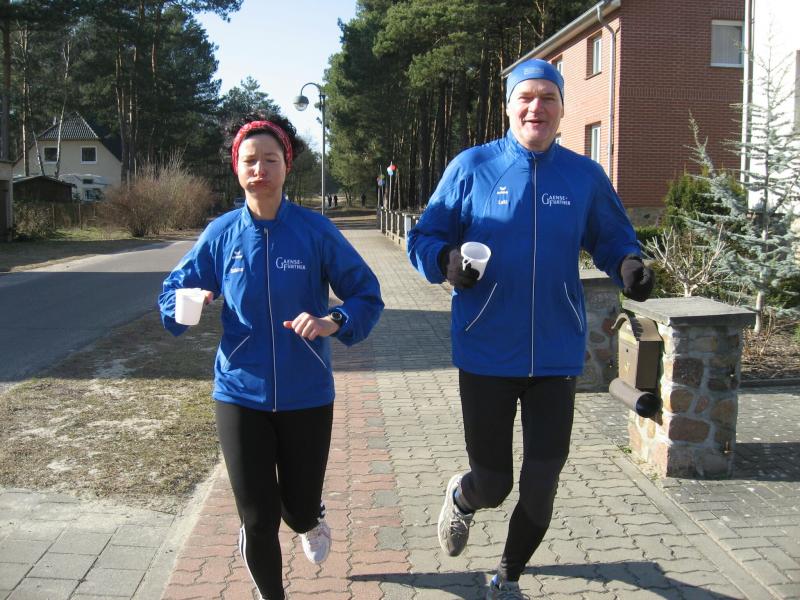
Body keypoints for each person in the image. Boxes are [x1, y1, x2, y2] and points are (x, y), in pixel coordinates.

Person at [406, 58, 653, 599]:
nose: (536, 107)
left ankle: (507, 576)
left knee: (541, 484)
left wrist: (628, 265)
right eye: (526, 97)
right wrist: (445, 261)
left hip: (556, 354)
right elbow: (423, 237)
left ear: (562, 109)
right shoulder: (473, 167)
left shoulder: (583, 176)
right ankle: (462, 497)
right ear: (509, 107)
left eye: (548, 98)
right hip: (486, 351)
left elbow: (612, 237)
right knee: (494, 483)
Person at [158, 113, 384, 600]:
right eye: (249, 161)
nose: (259, 169)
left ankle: (309, 517)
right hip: (239, 392)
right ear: (236, 168)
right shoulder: (221, 233)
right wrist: (186, 303)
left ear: (287, 165)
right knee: (258, 518)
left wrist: (334, 321)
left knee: (296, 511)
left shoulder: (314, 230)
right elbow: (171, 296)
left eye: (270, 160)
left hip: (307, 392)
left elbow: (367, 294)